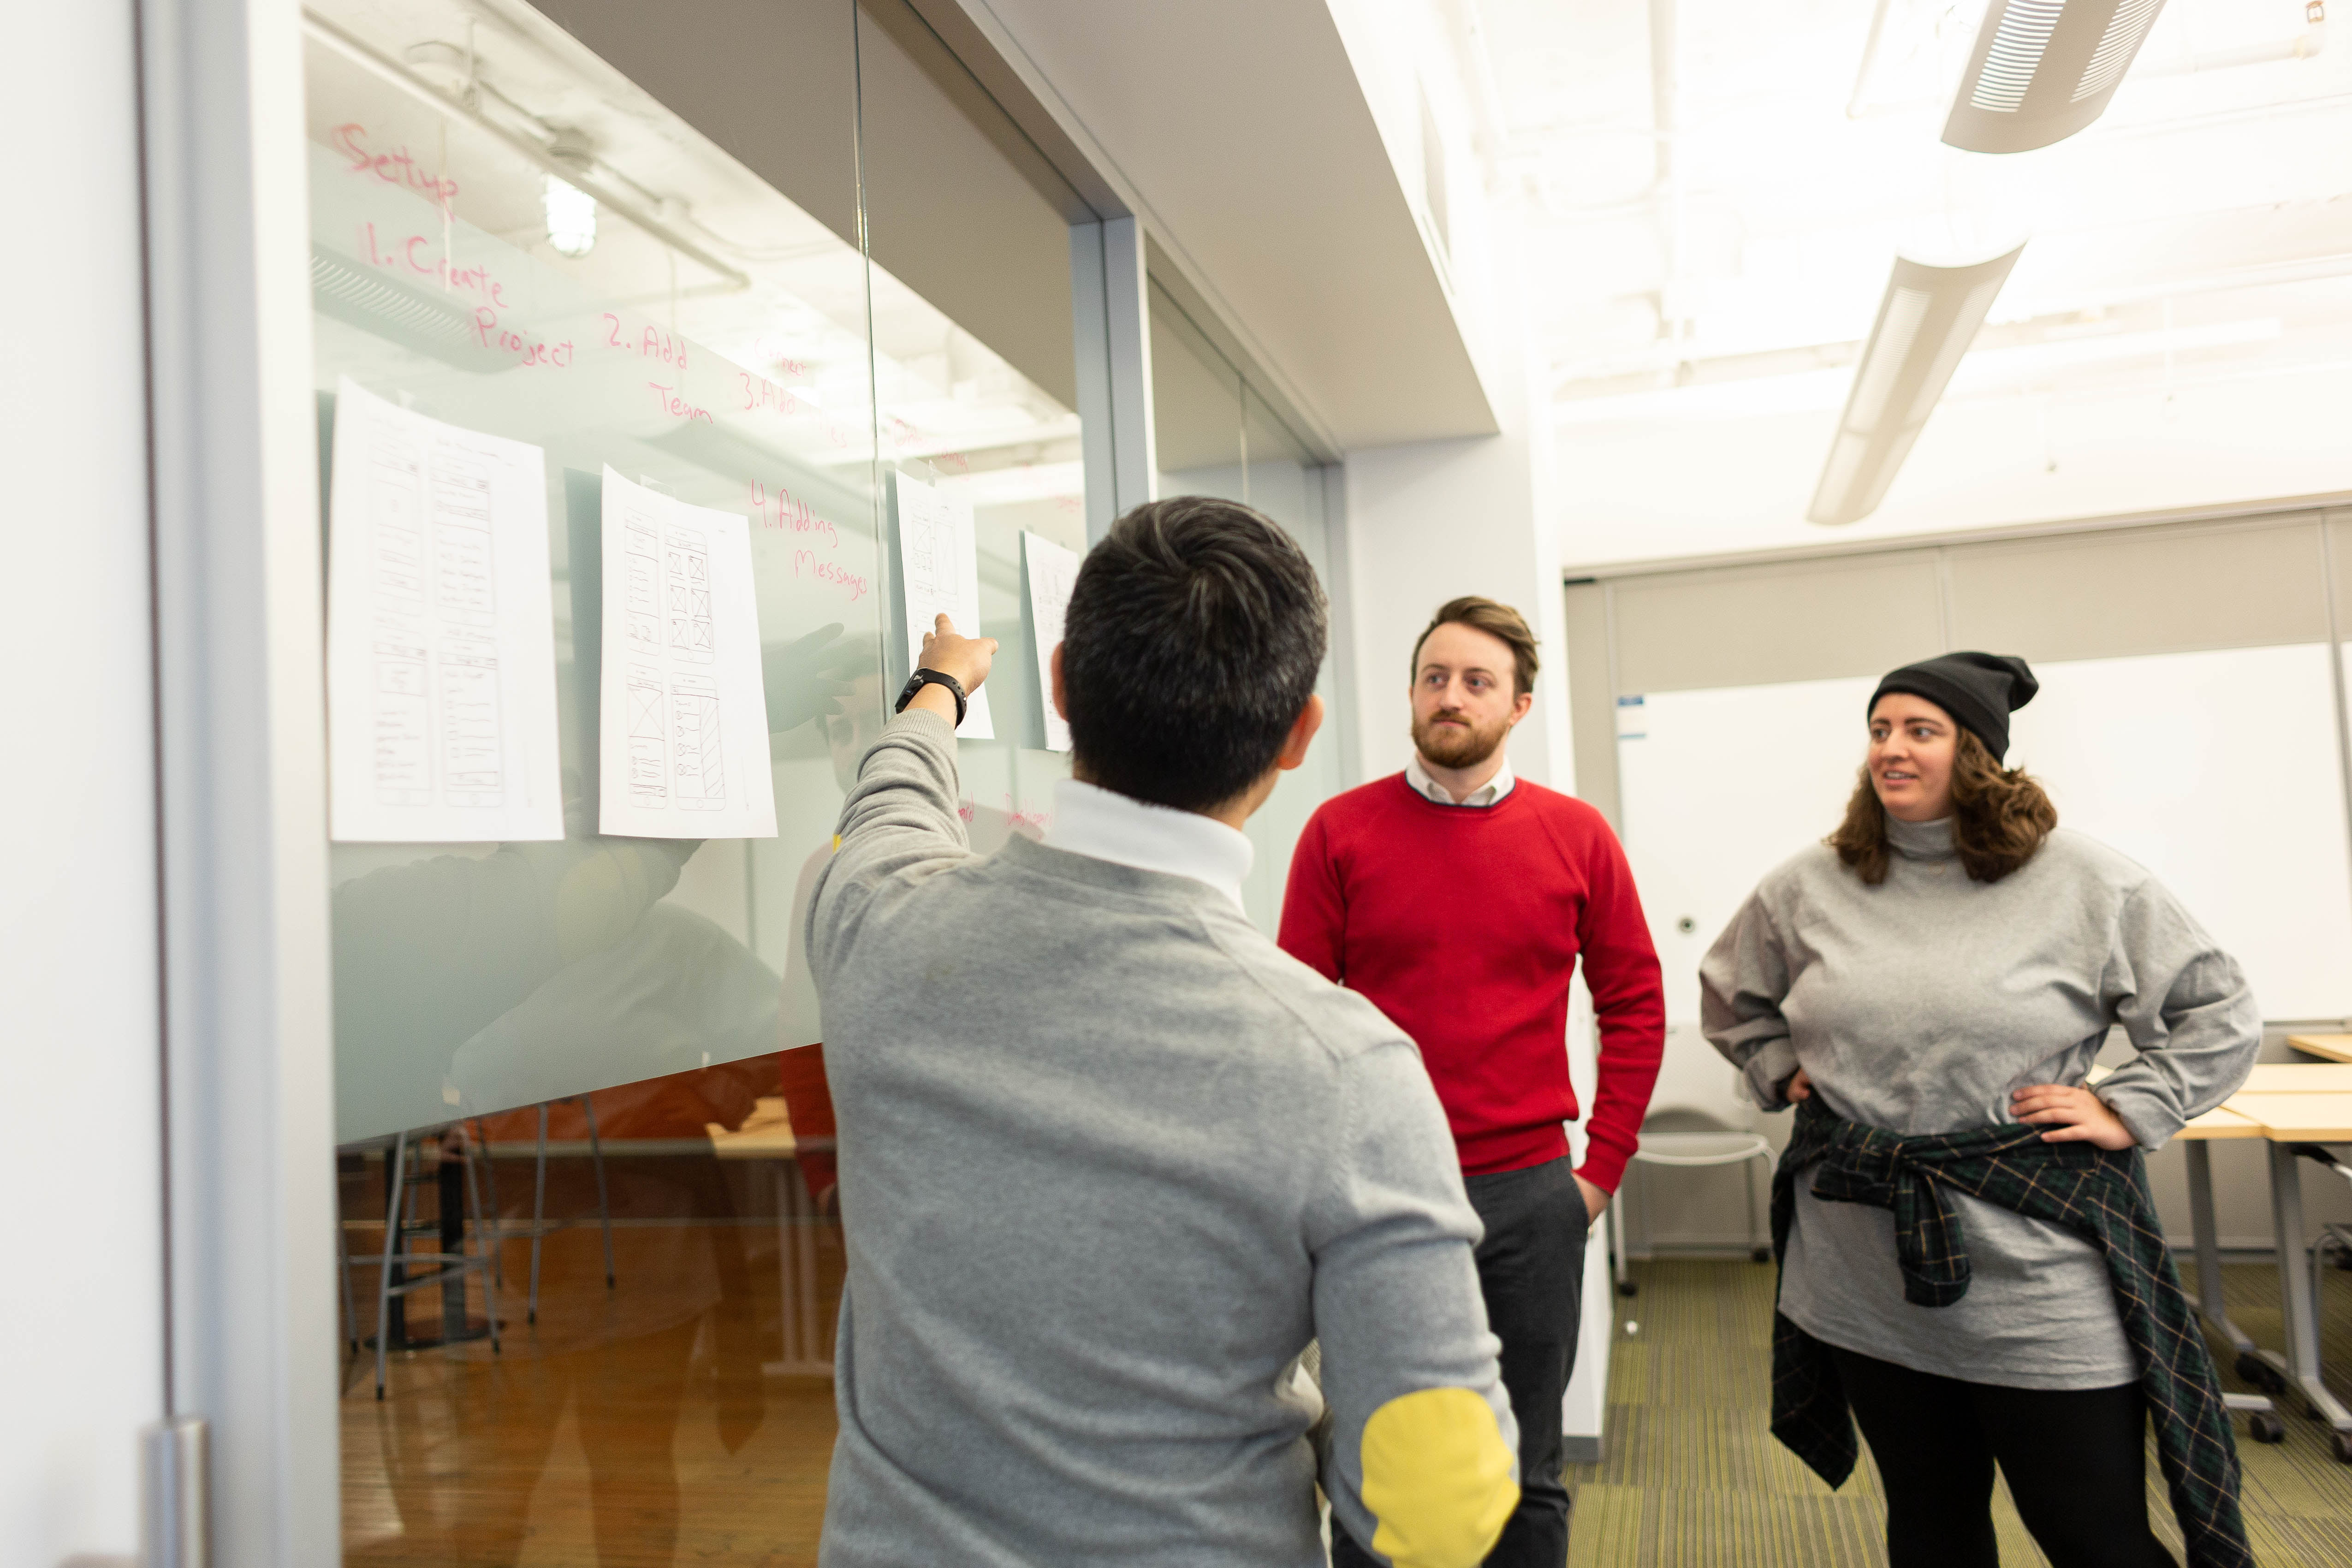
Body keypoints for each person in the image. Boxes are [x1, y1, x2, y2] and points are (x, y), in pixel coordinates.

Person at [806, 497, 1521, 1568]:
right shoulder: (1346, 1068)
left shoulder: (878, 926)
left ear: (1062, 686)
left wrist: (940, 689)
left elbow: (890, 800)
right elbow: (1438, 1509)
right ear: (1299, 735)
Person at [1700, 652, 2260, 1568]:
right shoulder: (1809, 882)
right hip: (1864, 1265)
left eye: (1920, 730)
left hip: (2037, 1268)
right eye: (1880, 729)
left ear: (1976, 754)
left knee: (2092, 1535)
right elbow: (1734, 994)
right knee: (1931, 1525)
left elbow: (2220, 1010)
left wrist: (2133, 1103)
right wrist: (1776, 1065)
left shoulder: (2086, 880)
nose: (1892, 748)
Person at [1280, 596, 1666, 1568]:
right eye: (1435, 677)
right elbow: (1293, 1018)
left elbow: (1635, 1003)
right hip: (1380, 1191)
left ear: (1519, 705)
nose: (1450, 696)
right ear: (1413, 692)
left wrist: (1599, 1173)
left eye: (1477, 681)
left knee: (1525, 1468)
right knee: (1382, 1459)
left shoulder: (1576, 835)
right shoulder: (1339, 831)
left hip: (1531, 1196)